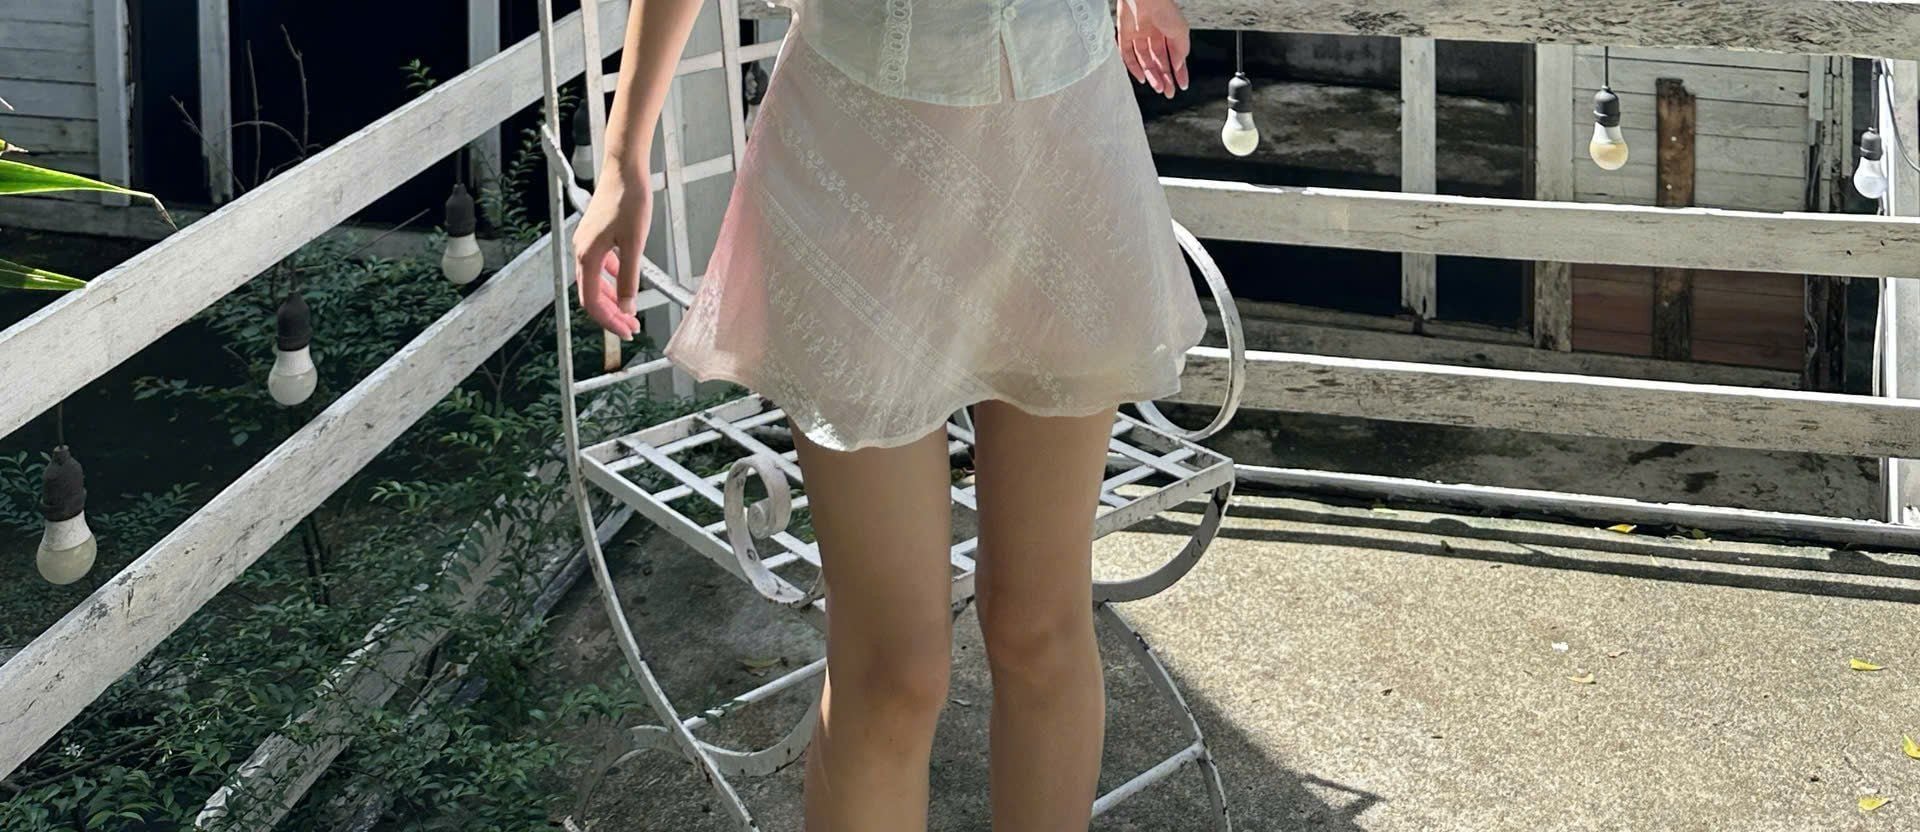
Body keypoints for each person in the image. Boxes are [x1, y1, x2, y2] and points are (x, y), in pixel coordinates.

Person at [573, 0, 1207, 826]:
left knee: (1041, 627)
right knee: (891, 670)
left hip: (1062, 143)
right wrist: (623, 158)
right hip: (858, 153)